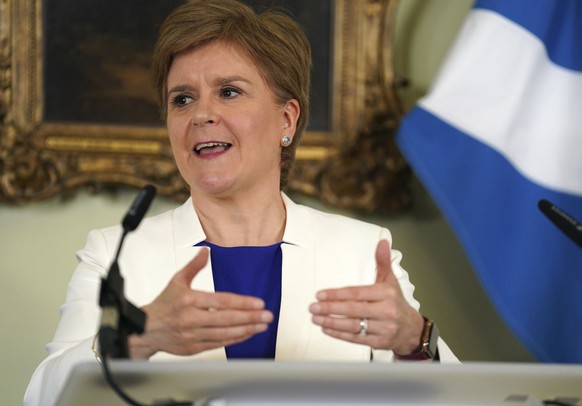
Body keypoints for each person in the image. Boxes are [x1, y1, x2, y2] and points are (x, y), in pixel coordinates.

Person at [24, 0, 459, 404]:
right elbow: (43, 396)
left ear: (286, 119)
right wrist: (135, 339)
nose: (201, 114)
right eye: (182, 99)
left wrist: (414, 340)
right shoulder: (116, 252)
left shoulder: (363, 251)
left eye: (229, 91)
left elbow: (459, 398)